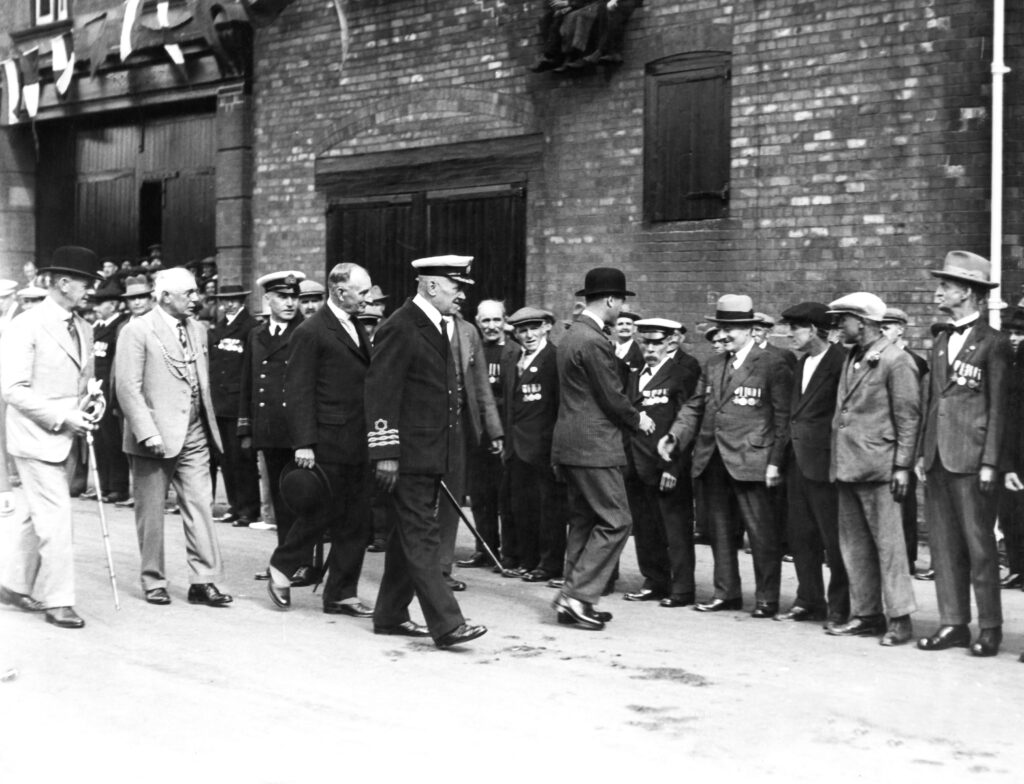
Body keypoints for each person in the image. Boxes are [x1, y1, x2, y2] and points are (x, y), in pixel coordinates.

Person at [365, 255, 488, 648]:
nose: (461, 298)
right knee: (422, 535)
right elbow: (381, 392)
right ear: (432, 286)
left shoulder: (436, 325)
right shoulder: (400, 327)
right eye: (456, 288)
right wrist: (385, 452)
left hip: (430, 452)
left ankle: (389, 614)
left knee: (407, 535)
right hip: (409, 455)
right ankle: (448, 623)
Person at [658, 294, 791, 618]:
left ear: (749, 329)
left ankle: (766, 598)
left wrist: (775, 461)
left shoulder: (772, 364)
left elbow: (783, 417)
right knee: (719, 531)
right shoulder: (714, 364)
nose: (725, 334)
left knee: (761, 535)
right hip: (714, 458)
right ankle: (726, 592)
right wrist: (675, 434)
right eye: (722, 327)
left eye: (732, 328)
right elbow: (695, 406)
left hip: (753, 460)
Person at [115, 267, 231, 608]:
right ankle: (154, 580)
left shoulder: (198, 329)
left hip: (194, 431)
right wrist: (147, 432)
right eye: (190, 294)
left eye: (197, 292)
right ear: (165, 297)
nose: (197, 299)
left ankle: (204, 581)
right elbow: (127, 388)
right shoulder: (137, 330)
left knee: (200, 505)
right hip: (154, 437)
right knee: (151, 513)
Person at [0, 246, 102, 628]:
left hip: (68, 435)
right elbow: (12, 389)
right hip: (35, 437)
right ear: (63, 283)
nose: (91, 290)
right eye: (87, 282)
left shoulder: (84, 326)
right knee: (57, 519)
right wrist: (63, 416)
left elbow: (84, 380)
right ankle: (59, 601)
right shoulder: (25, 325)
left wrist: (95, 400)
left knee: (39, 515)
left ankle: (12, 581)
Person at [266, 263, 375, 616]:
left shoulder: (356, 326)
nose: (368, 298)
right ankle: (281, 568)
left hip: (357, 441)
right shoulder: (311, 331)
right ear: (341, 292)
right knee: (322, 512)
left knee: (357, 519)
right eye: (363, 292)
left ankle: (341, 593)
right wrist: (303, 443)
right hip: (327, 441)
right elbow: (297, 389)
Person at [916, 251, 1010, 657]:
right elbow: (933, 402)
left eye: (947, 286)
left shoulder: (994, 342)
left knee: (979, 546)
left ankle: (990, 627)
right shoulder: (939, 340)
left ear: (968, 292)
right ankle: (953, 622)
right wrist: (922, 453)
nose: (938, 292)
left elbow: (998, 407)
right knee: (942, 545)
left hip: (972, 459)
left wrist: (990, 461)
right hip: (938, 457)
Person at [551, 267, 654, 630]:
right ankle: (578, 597)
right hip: (595, 446)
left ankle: (570, 596)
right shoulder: (593, 341)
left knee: (584, 520)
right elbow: (611, 395)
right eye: (621, 301)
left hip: (570, 444)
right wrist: (637, 419)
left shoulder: (571, 335)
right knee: (617, 520)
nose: (622, 308)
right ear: (610, 300)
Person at [825, 292, 919, 646]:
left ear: (862, 322)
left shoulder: (896, 361)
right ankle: (866, 615)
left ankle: (900, 619)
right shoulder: (854, 356)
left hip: (880, 467)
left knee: (890, 548)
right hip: (849, 465)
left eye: (842, 320)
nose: (838, 327)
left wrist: (902, 466)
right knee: (855, 546)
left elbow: (909, 417)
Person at [239, 271, 315, 584]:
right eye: (282, 297)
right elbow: (248, 381)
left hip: (297, 432)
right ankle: (286, 563)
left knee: (301, 499)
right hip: (269, 431)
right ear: (267, 299)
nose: (289, 303)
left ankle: (300, 563)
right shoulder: (256, 335)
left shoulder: (306, 332)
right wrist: (246, 428)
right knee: (281, 500)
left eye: (293, 297)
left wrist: (307, 437)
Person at [776, 302, 848, 624]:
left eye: (795, 327)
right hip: (798, 465)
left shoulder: (841, 362)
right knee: (801, 536)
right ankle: (808, 600)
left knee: (834, 541)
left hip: (827, 466)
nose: (788, 333)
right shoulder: (800, 363)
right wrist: (778, 461)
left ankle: (840, 606)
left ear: (817, 330)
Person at [622, 318, 696, 607]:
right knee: (645, 527)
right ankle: (654, 580)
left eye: (656, 342)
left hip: (664, 464)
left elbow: (686, 422)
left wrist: (674, 467)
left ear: (669, 343)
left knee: (675, 528)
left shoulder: (680, 375)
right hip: (636, 464)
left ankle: (682, 587)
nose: (650, 348)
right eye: (646, 342)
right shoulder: (633, 374)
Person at [500, 306, 566, 583]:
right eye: (521, 330)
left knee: (549, 509)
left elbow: (560, 405)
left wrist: (557, 450)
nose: (528, 335)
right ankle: (528, 560)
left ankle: (549, 564)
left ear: (546, 328)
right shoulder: (514, 357)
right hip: (517, 447)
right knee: (522, 506)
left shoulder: (554, 359)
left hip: (543, 447)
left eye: (533, 329)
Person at [456, 299, 514, 571]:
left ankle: (511, 552)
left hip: (508, 436)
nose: (491, 326)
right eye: (485, 321)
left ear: (505, 321)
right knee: (480, 496)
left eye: (496, 320)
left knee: (507, 497)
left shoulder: (514, 351)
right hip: (478, 437)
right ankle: (485, 547)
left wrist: (502, 435)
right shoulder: (471, 349)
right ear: (478, 322)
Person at [879, 307, 931, 578]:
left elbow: (918, 408)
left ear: (901, 329)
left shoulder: (914, 361)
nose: (882, 332)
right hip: (881, 442)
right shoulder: (877, 358)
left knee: (904, 503)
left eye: (888, 327)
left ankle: (907, 558)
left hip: (904, 441)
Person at [207, 283, 261, 527]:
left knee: (242, 459)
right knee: (225, 459)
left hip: (238, 403)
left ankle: (249, 508)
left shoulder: (250, 328)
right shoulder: (218, 328)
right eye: (225, 299)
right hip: (220, 403)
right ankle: (235, 505)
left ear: (243, 301)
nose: (229, 304)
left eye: (235, 299)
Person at [85, 277, 130, 504]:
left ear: (112, 305)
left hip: (110, 394)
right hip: (94, 394)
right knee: (99, 440)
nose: (96, 308)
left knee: (114, 441)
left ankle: (118, 487)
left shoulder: (119, 327)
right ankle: (103, 486)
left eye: (101, 303)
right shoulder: (97, 328)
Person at [1000, 307, 1024, 598]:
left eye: (1020, 333)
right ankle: (1017, 566)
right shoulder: (1007, 365)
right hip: (1010, 453)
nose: (1015, 339)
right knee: (1010, 514)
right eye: (1012, 333)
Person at [613, 309, 644, 373]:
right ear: (614, 329)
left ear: (635, 329)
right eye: (620, 324)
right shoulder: (608, 349)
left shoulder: (641, 353)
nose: (624, 327)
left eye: (628, 324)